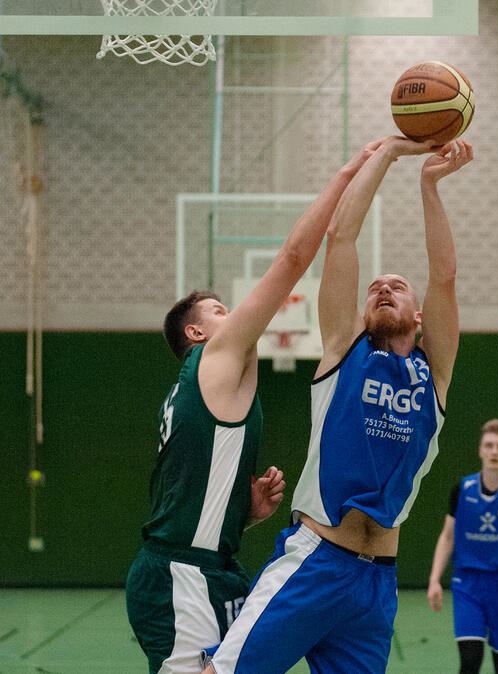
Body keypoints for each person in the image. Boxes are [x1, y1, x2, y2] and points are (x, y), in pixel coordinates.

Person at [202, 136, 472, 674]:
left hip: (376, 583)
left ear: (419, 316)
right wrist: (388, 154)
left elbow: (444, 276)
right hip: (316, 563)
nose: (384, 289)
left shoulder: (434, 373)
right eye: (375, 289)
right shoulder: (344, 351)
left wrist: (430, 186)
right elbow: (340, 236)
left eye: (397, 286)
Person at [125, 141, 386, 674]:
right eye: (220, 309)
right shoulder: (213, 357)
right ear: (196, 333)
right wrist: (348, 172)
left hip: (212, 566)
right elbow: (292, 260)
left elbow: (182, 496)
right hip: (180, 574)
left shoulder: (204, 386)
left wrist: (240, 516)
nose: (235, 314)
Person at [426, 419, 498, 674]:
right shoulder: (462, 489)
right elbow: (447, 536)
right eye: (489, 445)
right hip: (468, 584)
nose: (494, 451)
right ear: (480, 450)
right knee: (470, 659)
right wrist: (434, 580)